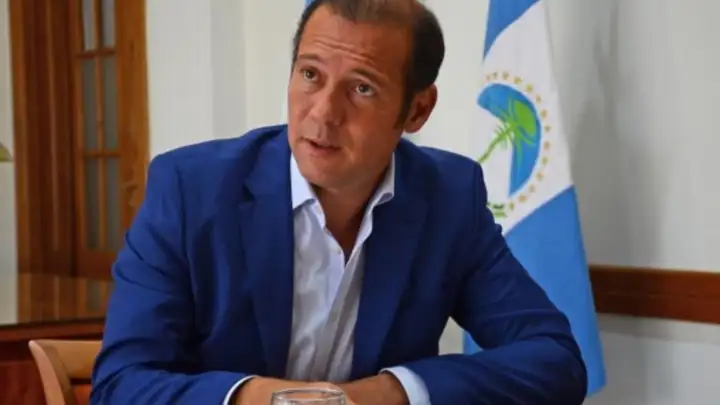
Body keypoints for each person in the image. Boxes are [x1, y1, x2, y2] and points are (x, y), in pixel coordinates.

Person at [90, 0, 588, 404]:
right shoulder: (190, 190)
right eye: (310, 75)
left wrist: (388, 393)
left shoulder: (449, 198)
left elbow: (554, 360)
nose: (324, 113)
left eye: (362, 88)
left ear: (417, 110)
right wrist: (273, 400)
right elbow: (121, 384)